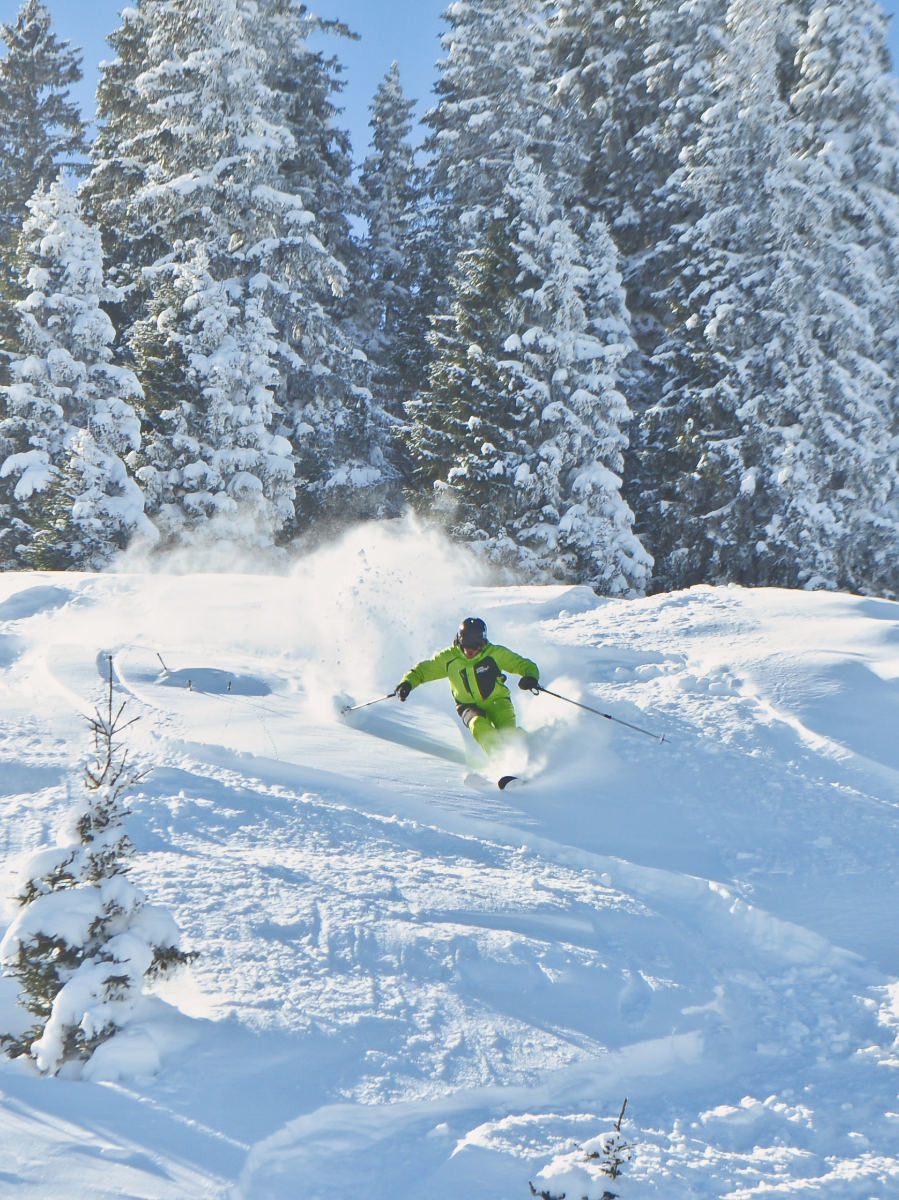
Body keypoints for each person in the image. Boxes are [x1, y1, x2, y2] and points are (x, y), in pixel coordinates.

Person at [395, 617, 540, 757]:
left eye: (475, 647)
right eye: (466, 646)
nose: (470, 651)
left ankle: (531, 745)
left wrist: (530, 678)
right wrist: (407, 683)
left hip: (498, 701)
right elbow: (422, 671)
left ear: (483, 643)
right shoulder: (449, 658)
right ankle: (503, 762)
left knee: (509, 735)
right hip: (467, 706)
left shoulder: (494, 653)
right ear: (459, 642)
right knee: (479, 726)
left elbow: (524, 664)